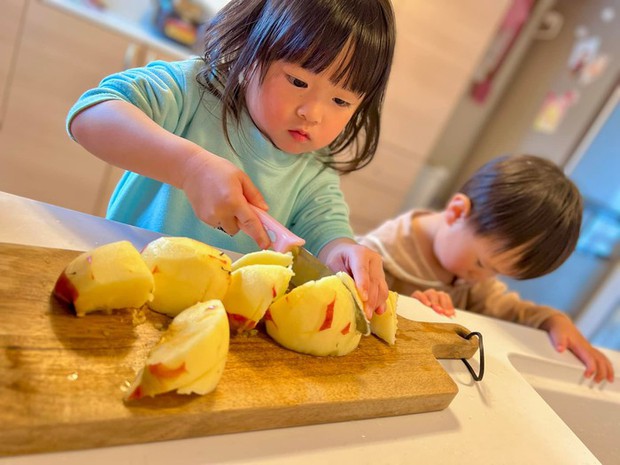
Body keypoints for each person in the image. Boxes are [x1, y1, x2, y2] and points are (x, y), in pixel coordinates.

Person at [66, 0, 396, 317]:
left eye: (341, 101)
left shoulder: (315, 171)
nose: (312, 113)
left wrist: (343, 252)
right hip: (121, 288)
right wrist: (189, 168)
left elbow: (328, 232)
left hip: (218, 318)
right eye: (298, 81)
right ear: (252, 48)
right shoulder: (194, 90)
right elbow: (90, 115)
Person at [359, 154, 614, 383]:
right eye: (482, 264)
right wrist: (411, 311)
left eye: (497, 272)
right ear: (457, 212)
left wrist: (553, 320)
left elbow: (505, 308)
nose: (483, 277)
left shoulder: (470, 272)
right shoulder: (373, 260)